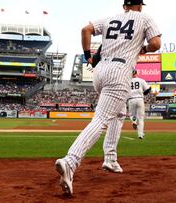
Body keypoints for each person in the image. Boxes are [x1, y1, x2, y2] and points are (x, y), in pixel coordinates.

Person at [55, 0, 161, 195]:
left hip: (100, 71)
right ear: (140, 6)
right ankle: (70, 161)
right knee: (102, 119)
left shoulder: (110, 18)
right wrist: (143, 49)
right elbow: (156, 43)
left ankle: (110, 159)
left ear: (124, 6)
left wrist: (87, 55)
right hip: (120, 71)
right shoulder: (144, 17)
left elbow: (86, 29)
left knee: (119, 113)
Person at [128, 69, 151, 139]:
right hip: (140, 99)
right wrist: (143, 93)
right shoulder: (141, 80)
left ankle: (134, 121)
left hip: (131, 99)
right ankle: (140, 135)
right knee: (141, 119)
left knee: (132, 115)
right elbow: (148, 90)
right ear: (136, 73)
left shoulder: (127, 81)